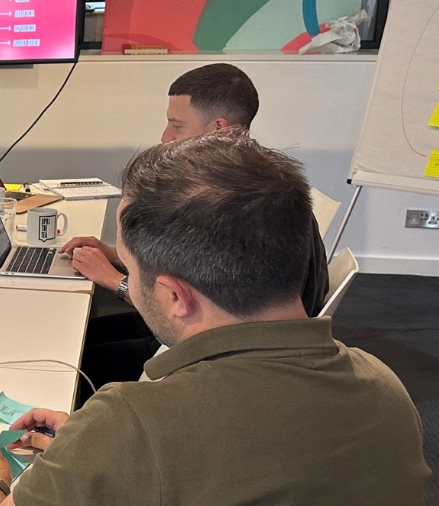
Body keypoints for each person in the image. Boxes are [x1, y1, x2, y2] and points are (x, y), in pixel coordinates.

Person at [0, 134, 430, 506]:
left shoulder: (131, 423)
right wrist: (97, 454)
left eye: (130, 267)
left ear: (176, 296)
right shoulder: (384, 387)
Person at [61, 63, 329, 399]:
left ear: (219, 129)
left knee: (69, 358)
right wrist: (115, 254)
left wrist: (116, 280)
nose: (165, 137)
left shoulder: (231, 208)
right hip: (224, 343)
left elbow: (202, 307)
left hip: (210, 355)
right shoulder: (262, 188)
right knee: (79, 337)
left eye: (177, 126)